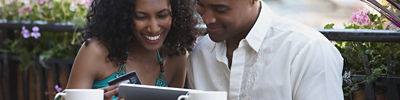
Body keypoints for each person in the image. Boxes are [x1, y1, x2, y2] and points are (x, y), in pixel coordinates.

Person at [187, 0, 344, 100]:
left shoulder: (308, 50)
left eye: (220, 9)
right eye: (200, 5)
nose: (207, 19)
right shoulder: (200, 53)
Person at [66, 0, 198, 99]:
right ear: (123, 16)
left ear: (175, 14)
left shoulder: (177, 57)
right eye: (141, 17)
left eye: (162, 15)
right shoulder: (95, 52)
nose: (153, 28)